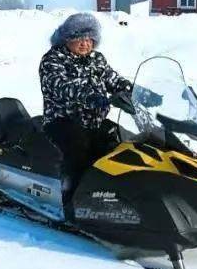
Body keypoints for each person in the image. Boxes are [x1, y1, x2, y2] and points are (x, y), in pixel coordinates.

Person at [39, 13, 131, 181]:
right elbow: (60, 85)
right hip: (62, 121)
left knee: (119, 144)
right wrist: (89, 96)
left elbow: (113, 79)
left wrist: (137, 91)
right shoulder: (53, 59)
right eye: (80, 38)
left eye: (89, 39)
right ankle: (70, 196)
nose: (85, 43)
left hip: (93, 122)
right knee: (79, 149)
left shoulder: (96, 59)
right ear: (67, 38)